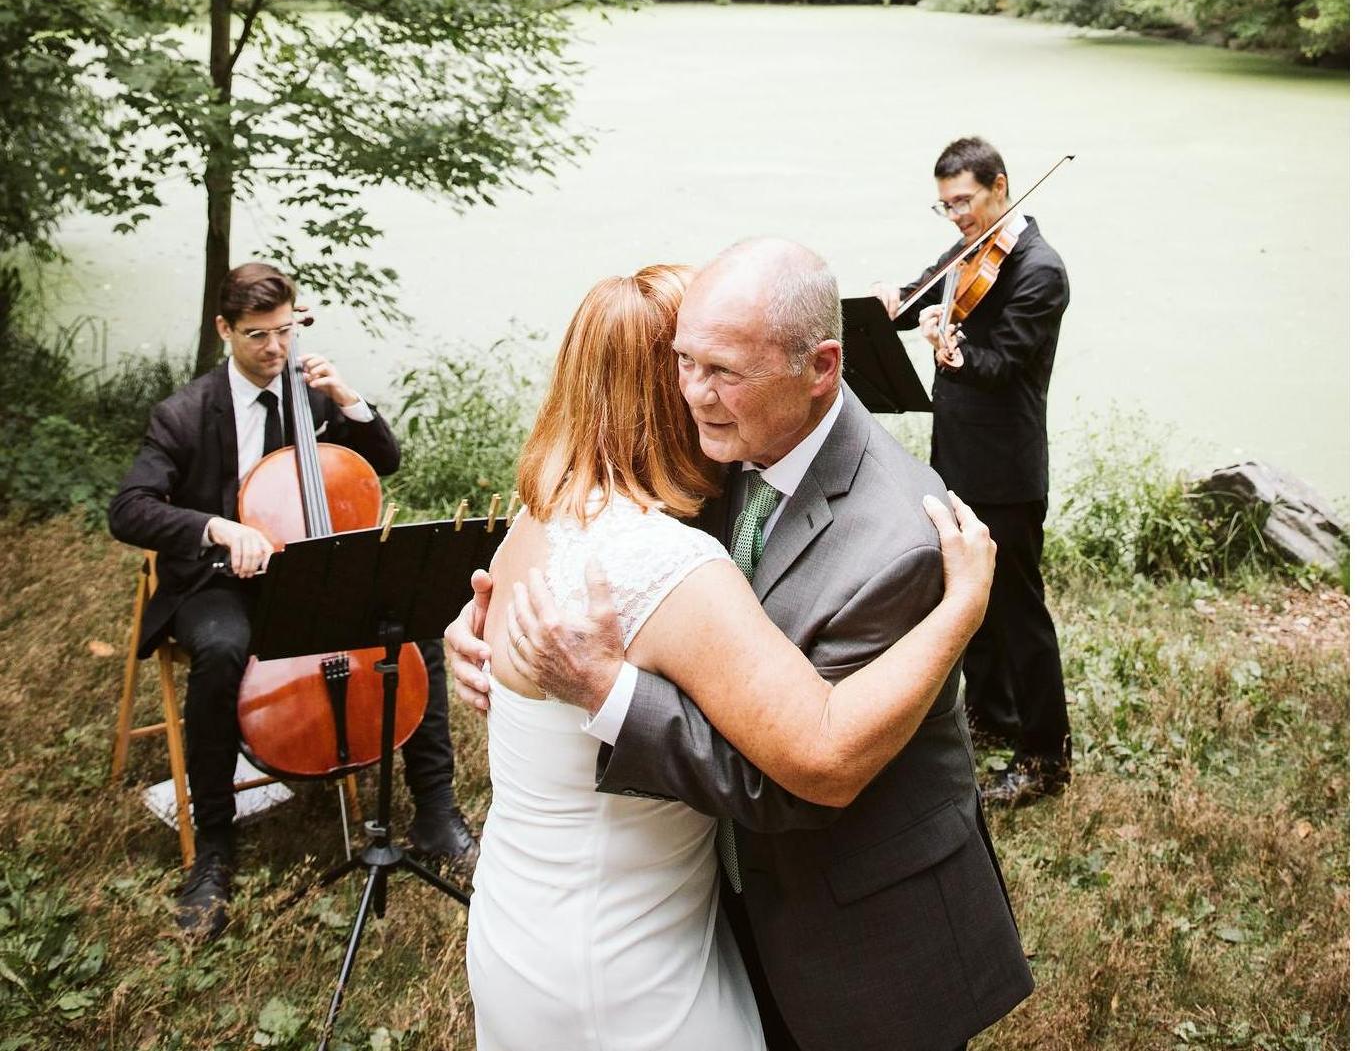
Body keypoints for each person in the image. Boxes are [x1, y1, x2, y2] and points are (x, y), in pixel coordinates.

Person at [449, 241, 1033, 1051]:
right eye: (681, 364)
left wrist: (603, 691)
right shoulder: (709, 466)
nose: (694, 393)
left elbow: (800, 776)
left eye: (718, 371)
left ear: (820, 367)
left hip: (859, 933)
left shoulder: (898, 537)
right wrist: (483, 634)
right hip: (700, 922)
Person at [108, 262, 478, 940]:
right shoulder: (185, 413)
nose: (275, 349)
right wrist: (212, 525)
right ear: (224, 329)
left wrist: (351, 400)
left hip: (308, 568)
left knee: (410, 625)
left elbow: (383, 460)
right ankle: (214, 849)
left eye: (284, 331)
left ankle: (434, 807)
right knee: (220, 650)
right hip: (217, 579)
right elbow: (127, 508)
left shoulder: (311, 396)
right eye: (257, 335)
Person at [871, 136, 1072, 807]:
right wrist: (891, 303)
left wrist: (950, 351)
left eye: (963, 201)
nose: (955, 215)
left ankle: (1045, 755)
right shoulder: (967, 251)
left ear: (998, 186)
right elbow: (917, 296)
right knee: (971, 600)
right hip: (956, 457)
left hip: (1007, 467)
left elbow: (1004, 364)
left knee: (1018, 613)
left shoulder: (1040, 269)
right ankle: (991, 716)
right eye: (944, 205)